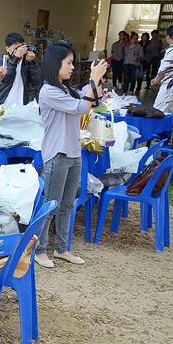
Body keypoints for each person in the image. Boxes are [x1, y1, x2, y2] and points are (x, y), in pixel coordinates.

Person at [34, 44, 106, 269]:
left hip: (74, 153)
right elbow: (83, 107)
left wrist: (97, 82)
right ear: (56, 64)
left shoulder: (65, 89)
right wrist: (93, 79)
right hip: (57, 154)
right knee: (50, 204)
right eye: (69, 63)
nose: (73, 67)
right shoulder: (49, 91)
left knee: (67, 205)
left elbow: (93, 102)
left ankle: (62, 248)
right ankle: (39, 249)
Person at [0, 32, 39, 106]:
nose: (19, 51)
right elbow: (6, 78)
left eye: (21, 47)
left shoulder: (26, 61)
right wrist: (15, 58)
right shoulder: (2, 60)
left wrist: (32, 63)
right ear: (7, 48)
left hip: (22, 104)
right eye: (16, 48)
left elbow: (36, 81)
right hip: (3, 103)